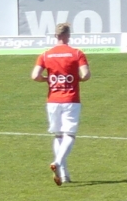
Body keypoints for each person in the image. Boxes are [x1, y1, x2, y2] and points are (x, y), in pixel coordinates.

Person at [30, 22, 90, 185]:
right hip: (71, 99)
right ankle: (57, 162)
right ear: (68, 35)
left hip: (53, 100)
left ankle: (64, 174)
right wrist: (75, 79)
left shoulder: (45, 55)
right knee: (69, 135)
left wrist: (47, 79)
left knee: (58, 135)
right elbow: (86, 75)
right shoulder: (77, 53)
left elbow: (35, 76)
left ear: (55, 36)